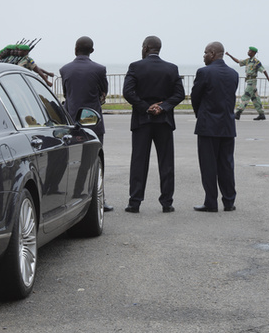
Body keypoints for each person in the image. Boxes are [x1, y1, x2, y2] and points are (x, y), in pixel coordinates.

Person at [122, 36, 185, 213]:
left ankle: (134, 202)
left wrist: (145, 107)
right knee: (166, 162)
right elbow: (179, 94)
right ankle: (167, 202)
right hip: (164, 121)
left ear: (146, 47)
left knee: (139, 162)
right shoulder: (171, 68)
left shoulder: (135, 66)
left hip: (142, 120)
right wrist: (162, 107)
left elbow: (127, 92)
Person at [60, 36, 112, 211]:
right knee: (94, 162)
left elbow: (67, 94)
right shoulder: (99, 69)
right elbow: (104, 91)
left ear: (75, 49)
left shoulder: (64, 69)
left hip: (71, 121)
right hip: (93, 122)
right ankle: (98, 199)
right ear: (92, 51)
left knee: (71, 160)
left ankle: (74, 194)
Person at [190, 41, 240, 212]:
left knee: (208, 165)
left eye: (205, 53)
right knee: (226, 164)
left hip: (208, 125)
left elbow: (195, 97)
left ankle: (211, 202)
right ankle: (229, 201)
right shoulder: (233, 73)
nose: (203, 56)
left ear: (212, 53)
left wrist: (201, 114)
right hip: (227, 125)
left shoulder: (204, 72)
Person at [228, 47, 269, 120]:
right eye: (248, 51)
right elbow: (238, 61)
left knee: (245, 96)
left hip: (252, 81)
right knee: (255, 98)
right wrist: (230, 55)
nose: (248, 52)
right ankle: (261, 114)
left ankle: (238, 113)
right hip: (249, 81)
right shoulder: (247, 61)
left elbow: (264, 70)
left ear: (254, 53)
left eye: (250, 51)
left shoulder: (256, 62)